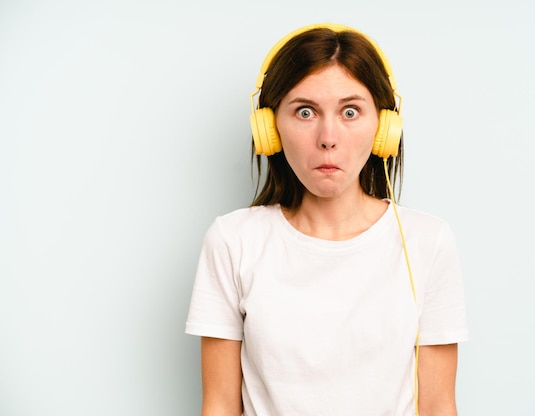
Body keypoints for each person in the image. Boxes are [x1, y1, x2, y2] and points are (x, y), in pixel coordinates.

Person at [185, 23, 469, 416]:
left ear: (384, 127)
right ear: (270, 129)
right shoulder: (233, 241)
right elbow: (218, 405)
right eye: (305, 111)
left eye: (350, 111)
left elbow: (438, 406)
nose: (328, 137)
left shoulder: (426, 241)